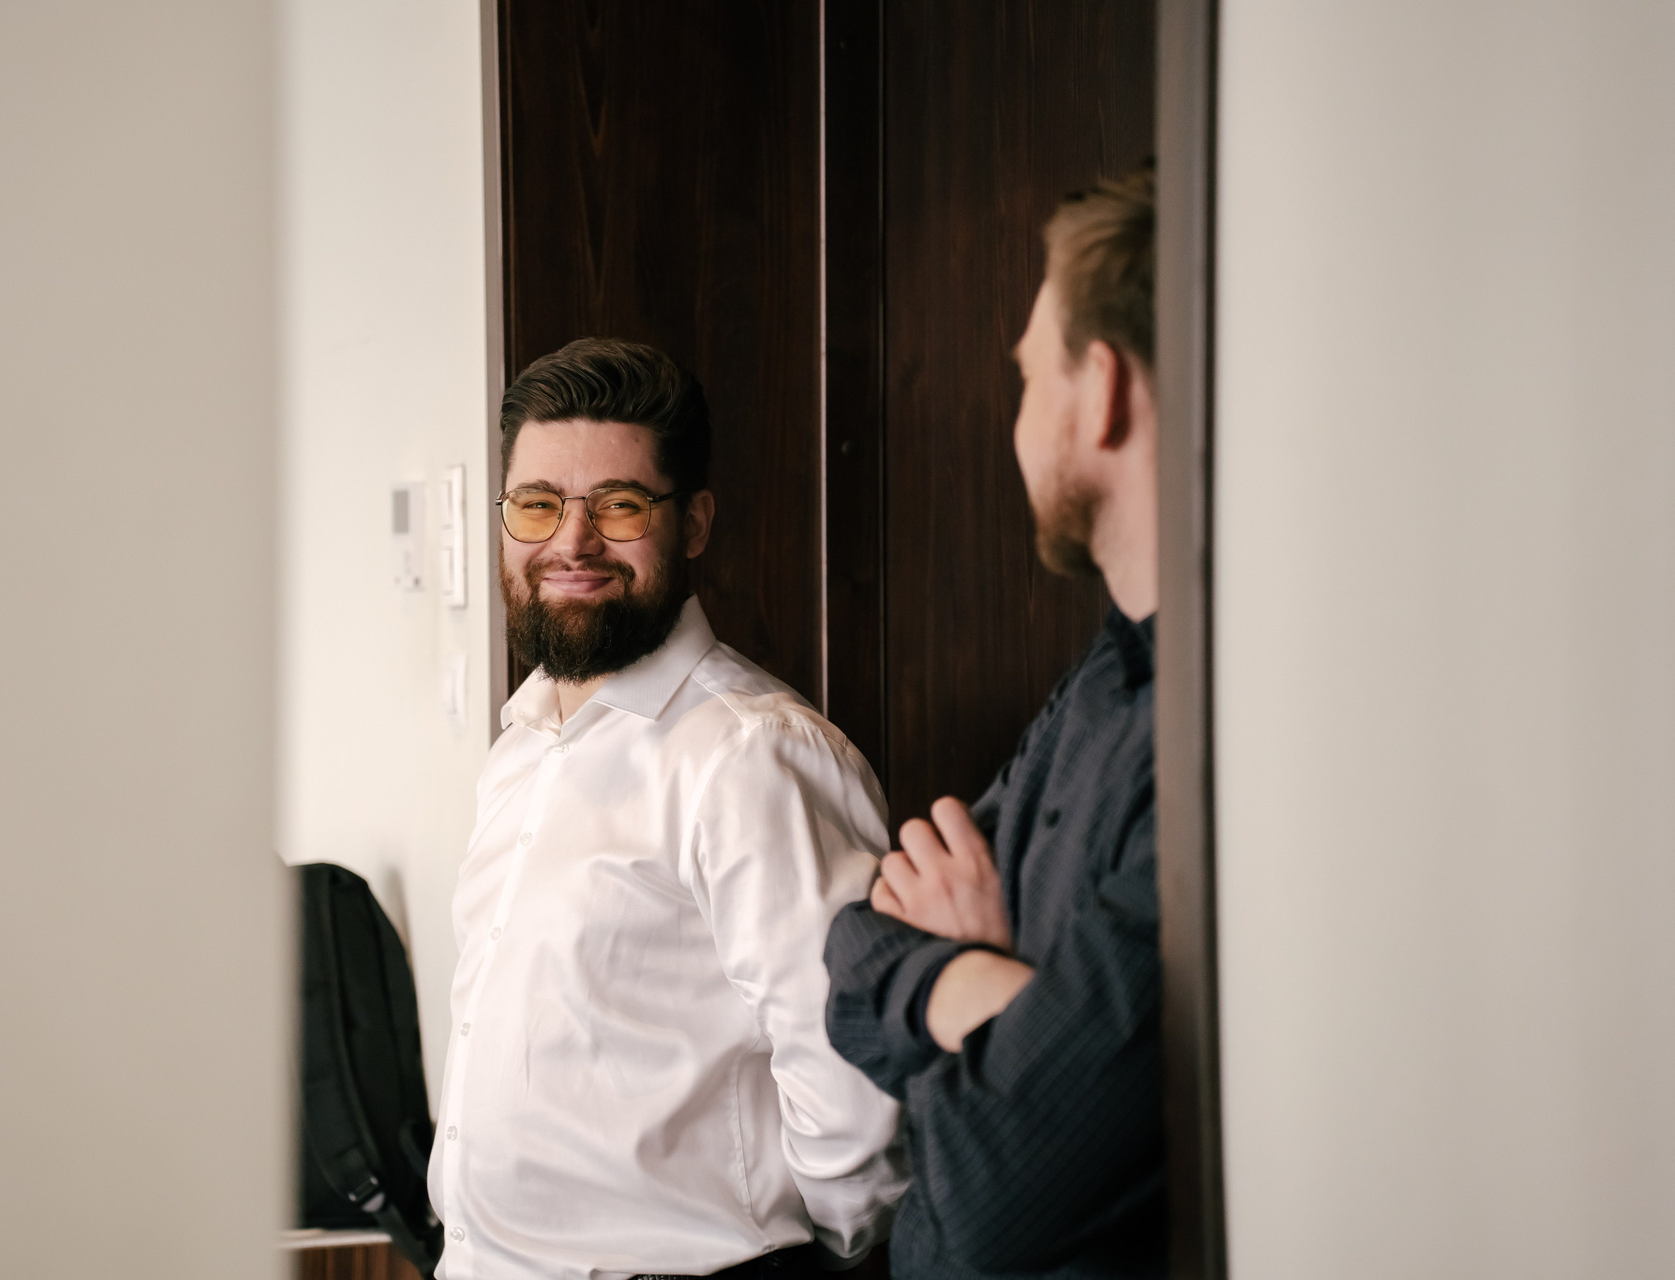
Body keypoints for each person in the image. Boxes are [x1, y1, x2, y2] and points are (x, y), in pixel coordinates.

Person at [428, 338, 906, 1280]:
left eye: (619, 505)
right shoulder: (519, 745)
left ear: (692, 524)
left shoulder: (751, 756)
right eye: (537, 504)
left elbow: (856, 1103)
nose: (571, 542)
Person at [823, 166, 1164, 1279]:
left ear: (1101, 391)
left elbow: (987, 1204)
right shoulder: (1099, 682)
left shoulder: (1215, 755)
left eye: (1027, 377)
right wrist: (998, 996)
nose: (1016, 421)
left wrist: (957, 962)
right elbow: (854, 952)